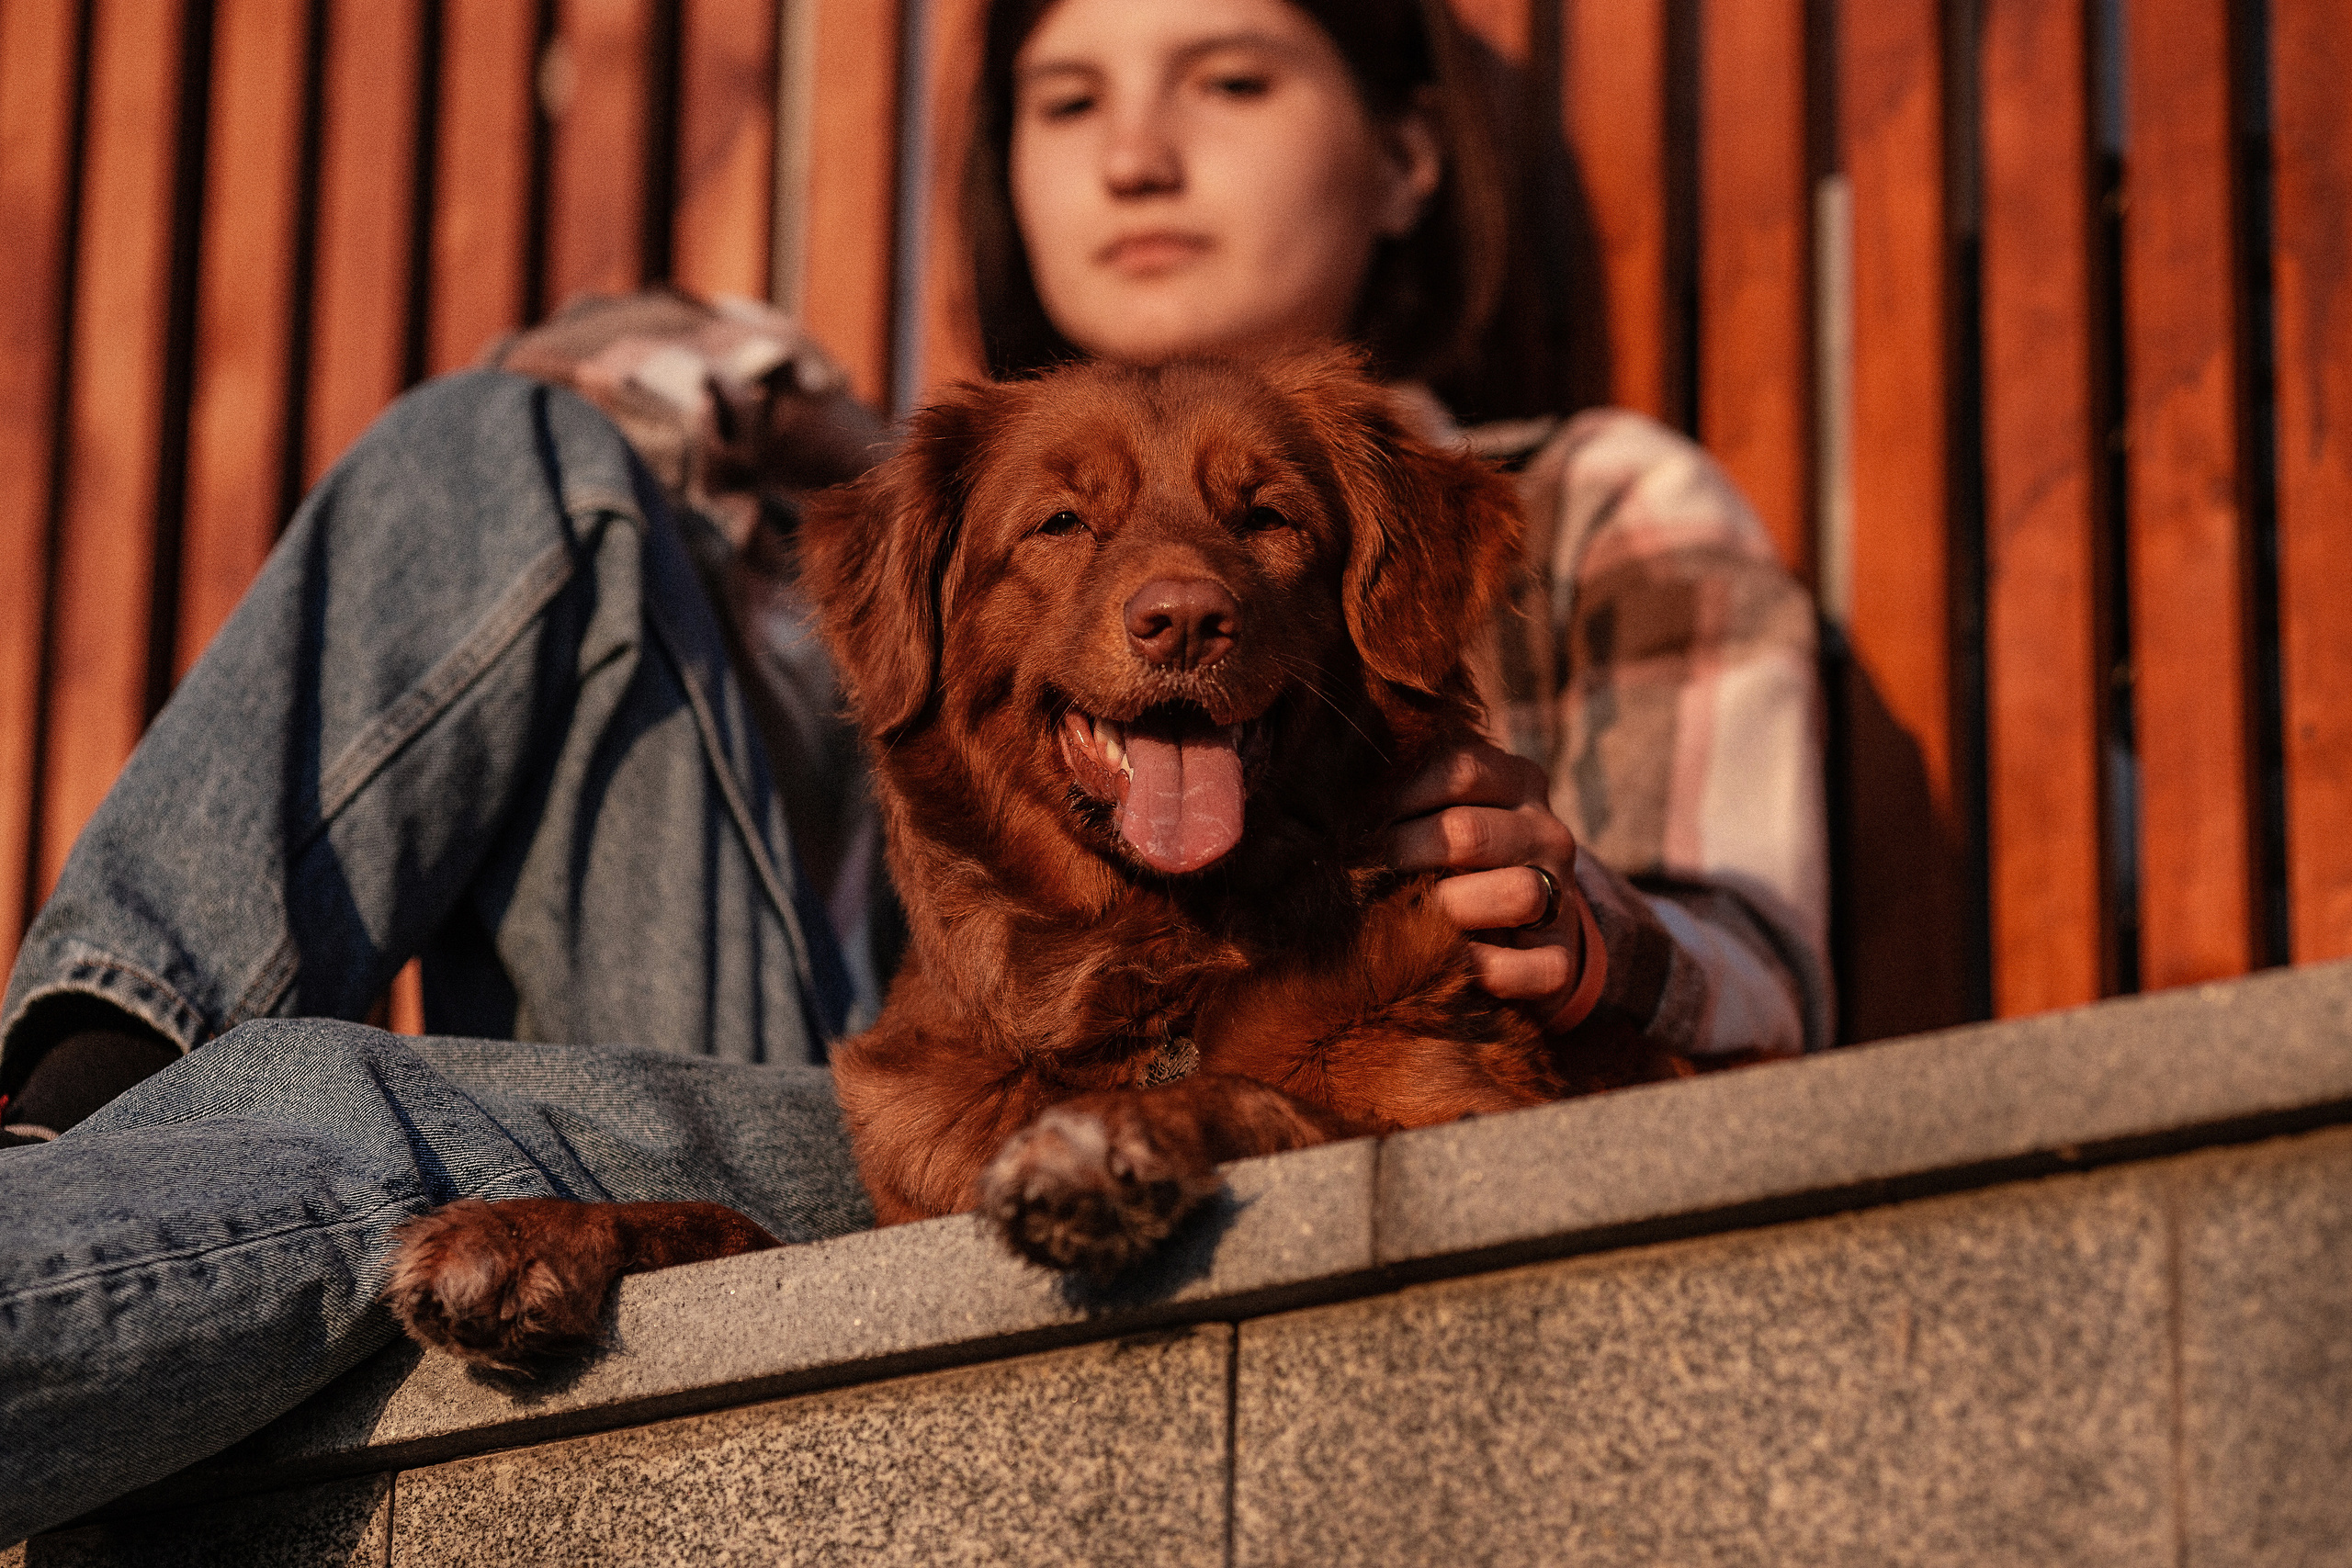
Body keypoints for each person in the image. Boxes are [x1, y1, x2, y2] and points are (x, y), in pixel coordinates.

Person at [0, 0, 1824, 1541]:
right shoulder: (915, 512)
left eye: (1231, 80)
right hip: (888, 1067)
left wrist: (1597, 925)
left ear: (1409, 156)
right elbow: (570, 383)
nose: (1135, 157)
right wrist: (851, 434)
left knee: (359, 1105)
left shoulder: (1589, 495)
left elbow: (1767, 969)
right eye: (1067, 100)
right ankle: (85, 1098)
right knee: (506, 447)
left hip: (1230, 1064)